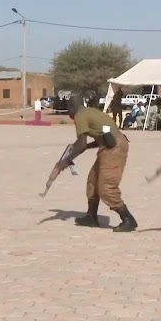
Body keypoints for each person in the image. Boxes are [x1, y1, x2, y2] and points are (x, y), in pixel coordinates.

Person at [54, 94, 137, 232]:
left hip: (114, 148)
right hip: (108, 146)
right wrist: (83, 147)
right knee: (92, 181)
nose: (68, 112)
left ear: (72, 106)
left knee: (106, 186)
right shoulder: (89, 112)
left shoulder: (80, 115)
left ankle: (128, 219)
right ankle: (91, 217)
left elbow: (81, 144)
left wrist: (66, 161)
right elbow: (96, 139)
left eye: (68, 108)